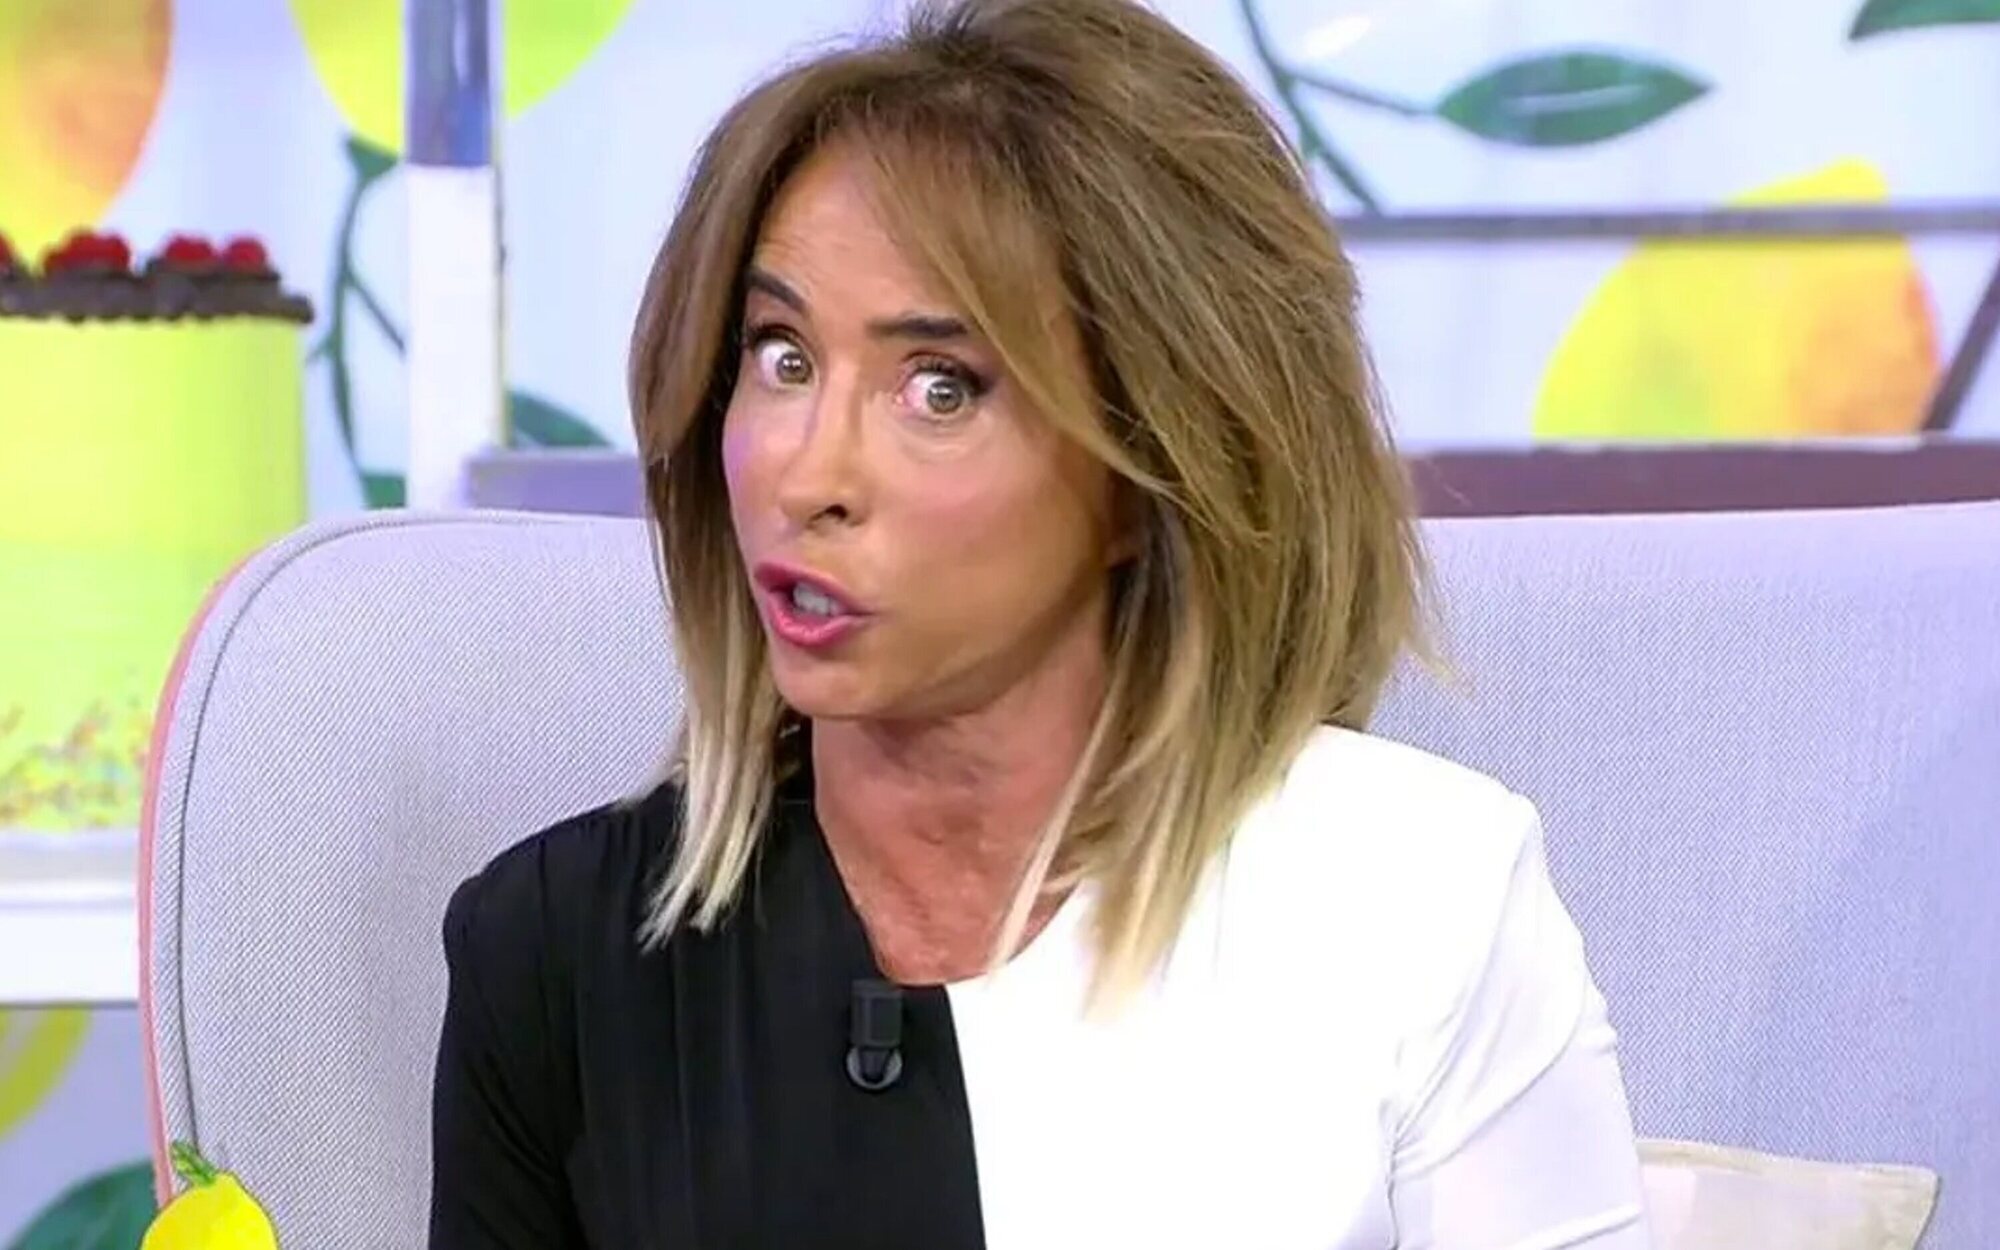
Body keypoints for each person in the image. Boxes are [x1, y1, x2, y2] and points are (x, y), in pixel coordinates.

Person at [429, 0, 1653, 1245]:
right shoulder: (555, 956)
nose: (807, 475)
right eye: (781, 354)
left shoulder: (1420, 899)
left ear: (1156, 465)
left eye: (938, 387)